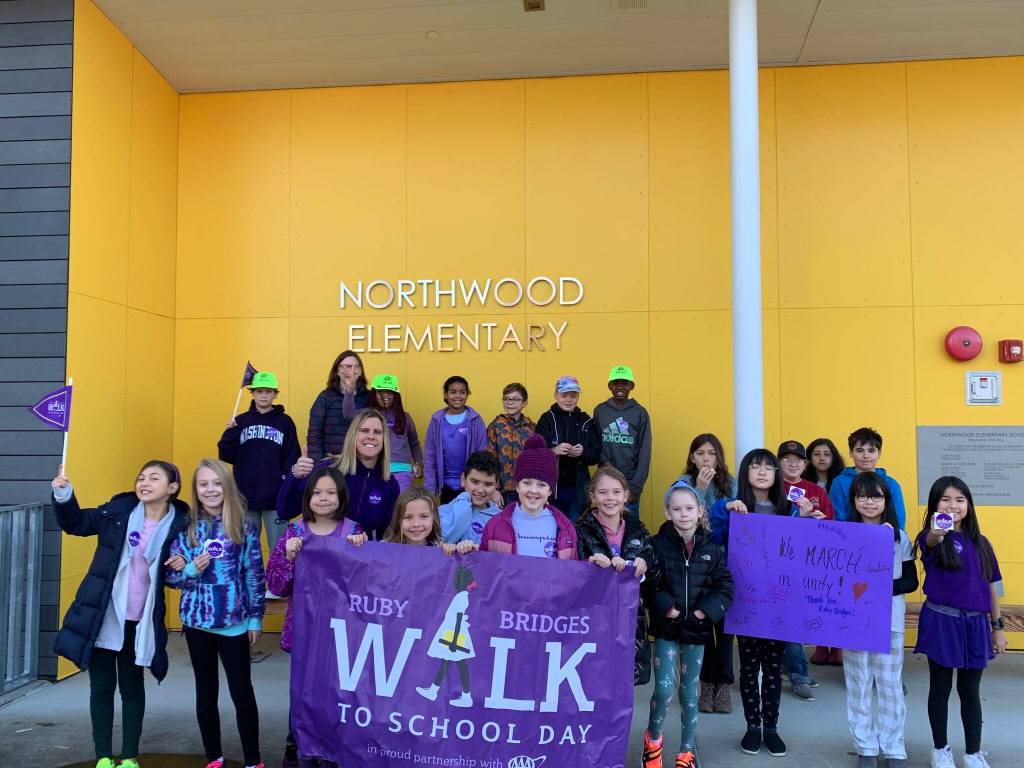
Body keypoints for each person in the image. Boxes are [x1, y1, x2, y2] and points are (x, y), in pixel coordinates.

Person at [51, 460, 188, 768]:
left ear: (172, 489)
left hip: (139, 622)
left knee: (131, 687)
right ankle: (103, 755)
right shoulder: (118, 512)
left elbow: (187, 565)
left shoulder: (181, 523)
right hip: (104, 614)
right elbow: (76, 524)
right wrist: (64, 495)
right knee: (101, 687)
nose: (145, 482)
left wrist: (182, 561)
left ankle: (128, 756)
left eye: (155, 478)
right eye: (141, 477)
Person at [165, 459, 265, 768]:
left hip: (233, 622)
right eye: (203, 484)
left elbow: (253, 572)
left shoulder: (244, 523)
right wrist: (193, 568)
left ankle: (253, 761)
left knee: (242, 693)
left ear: (227, 486)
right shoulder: (185, 525)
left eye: (217, 483)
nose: (211, 490)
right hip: (197, 623)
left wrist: (255, 616)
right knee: (206, 692)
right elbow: (171, 578)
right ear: (195, 490)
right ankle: (214, 757)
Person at [264, 466, 366, 768]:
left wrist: (360, 552)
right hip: (305, 633)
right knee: (302, 694)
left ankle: (333, 749)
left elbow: (365, 585)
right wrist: (288, 558)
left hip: (341, 635)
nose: (323, 498)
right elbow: (276, 584)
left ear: (341, 496)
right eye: (317, 492)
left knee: (336, 693)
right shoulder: (294, 533)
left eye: (331, 492)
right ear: (307, 497)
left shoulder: (353, 532)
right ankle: (296, 746)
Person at [914, 477, 1006, 768]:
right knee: (940, 689)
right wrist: (937, 531)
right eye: (944, 499)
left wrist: (998, 627)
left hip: (976, 626)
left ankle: (973, 753)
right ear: (934, 505)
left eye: (959, 500)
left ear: (969, 505)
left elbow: (993, 589)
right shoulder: (930, 538)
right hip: (941, 622)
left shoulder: (983, 544)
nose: (952, 505)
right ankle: (940, 749)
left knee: (970, 692)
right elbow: (930, 541)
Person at [642, 480, 734, 768]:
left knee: (689, 693)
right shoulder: (656, 545)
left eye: (689, 508)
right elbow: (648, 585)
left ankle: (686, 752)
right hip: (667, 630)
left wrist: (704, 613)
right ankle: (653, 742)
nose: (683, 514)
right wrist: (665, 607)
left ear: (700, 510)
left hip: (696, 632)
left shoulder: (712, 548)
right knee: (664, 689)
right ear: (667, 512)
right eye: (677, 508)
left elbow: (725, 587)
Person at [709, 449, 790, 758]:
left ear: (776, 475)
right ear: (744, 473)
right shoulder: (735, 508)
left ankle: (771, 727)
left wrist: (809, 522)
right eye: (755, 466)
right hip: (745, 600)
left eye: (768, 467)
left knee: (772, 667)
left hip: (779, 603)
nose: (761, 471)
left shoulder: (788, 511)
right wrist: (724, 509)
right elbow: (714, 537)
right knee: (749, 665)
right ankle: (752, 726)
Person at [844, 471, 918, 768]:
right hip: (851, 622)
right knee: (858, 683)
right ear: (854, 501)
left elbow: (910, 581)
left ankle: (894, 747)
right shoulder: (844, 533)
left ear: (886, 500)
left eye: (876, 496)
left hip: (890, 623)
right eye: (862, 496)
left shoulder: (900, 537)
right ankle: (865, 747)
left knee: (889, 686)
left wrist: (878, 585)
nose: (869, 502)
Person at [677, 433, 738, 716]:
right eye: (700, 453)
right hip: (697, 565)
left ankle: (723, 685)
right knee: (702, 628)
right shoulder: (684, 484)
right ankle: (705, 683)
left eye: (711, 453)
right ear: (692, 457)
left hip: (726, 565)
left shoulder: (731, 484)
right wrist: (700, 489)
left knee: (724, 631)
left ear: (719, 457)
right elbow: (688, 522)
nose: (705, 458)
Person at [576, 467, 653, 684]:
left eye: (616, 492)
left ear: (626, 495)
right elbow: (572, 579)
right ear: (592, 496)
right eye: (603, 492)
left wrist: (645, 564)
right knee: (591, 683)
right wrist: (590, 565)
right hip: (593, 621)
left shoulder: (640, 532)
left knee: (623, 688)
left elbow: (655, 578)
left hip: (630, 622)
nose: (610, 498)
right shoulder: (580, 531)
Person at [218, 370, 301, 569]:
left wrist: (283, 483)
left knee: (279, 546)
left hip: (275, 497)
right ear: (252, 393)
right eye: (259, 391)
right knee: (247, 546)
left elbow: (292, 457)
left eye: (268, 391)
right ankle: (250, 585)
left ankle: (276, 587)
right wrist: (230, 433)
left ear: (275, 394)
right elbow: (226, 454)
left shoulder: (285, 422)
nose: (263, 395)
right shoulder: (242, 421)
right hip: (245, 497)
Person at [277, 409, 401, 541]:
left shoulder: (389, 483)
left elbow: (388, 534)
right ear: (353, 435)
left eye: (377, 432)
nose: (371, 436)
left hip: (360, 557)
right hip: (323, 554)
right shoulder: (328, 470)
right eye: (364, 430)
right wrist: (295, 475)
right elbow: (285, 511)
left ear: (384, 439)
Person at [776, 439, 834, 693]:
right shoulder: (772, 488)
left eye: (797, 459)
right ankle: (798, 672)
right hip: (777, 565)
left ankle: (790, 666)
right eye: (786, 459)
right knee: (787, 618)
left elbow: (832, 528)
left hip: (808, 566)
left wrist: (814, 521)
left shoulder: (816, 491)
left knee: (794, 619)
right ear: (778, 463)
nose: (792, 464)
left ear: (804, 463)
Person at [479, 433, 578, 558]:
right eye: (526, 483)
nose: (533, 490)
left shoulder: (566, 528)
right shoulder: (495, 525)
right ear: (517, 486)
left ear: (550, 490)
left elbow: (573, 573)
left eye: (541, 485)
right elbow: (483, 569)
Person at [534, 375, 600, 522]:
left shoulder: (587, 421)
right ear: (556, 395)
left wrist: (583, 452)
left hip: (578, 490)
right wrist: (553, 451)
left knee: (575, 529)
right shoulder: (547, 419)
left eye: (573, 395)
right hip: (551, 488)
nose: (568, 399)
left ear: (578, 397)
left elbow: (595, 454)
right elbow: (535, 452)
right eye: (564, 395)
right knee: (552, 529)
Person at [593, 364, 652, 517]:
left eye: (625, 383)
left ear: (631, 386)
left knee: (630, 526)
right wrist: (605, 463)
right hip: (605, 479)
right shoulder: (601, 410)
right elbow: (596, 442)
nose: (620, 387)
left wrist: (635, 487)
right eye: (616, 382)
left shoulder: (640, 412)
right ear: (609, 386)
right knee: (605, 522)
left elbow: (645, 451)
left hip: (630, 482)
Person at [423, 376, 488, 504]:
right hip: (445, 486)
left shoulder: (475, 420)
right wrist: (430, 488)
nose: (458, 396)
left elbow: (482, 454)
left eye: (462, 392)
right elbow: (429, 456)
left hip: (469, 486)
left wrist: (478, 485)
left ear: (467, 394)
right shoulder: (437, 420)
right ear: (446, 395)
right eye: (453, 392)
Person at [829, 427, 907, 529]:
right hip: (848, 540)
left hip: (885, 539)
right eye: (859, 450)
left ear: (879, 453)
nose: (866, 456)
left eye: (871, 450)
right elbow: (836, 518)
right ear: (851, 453)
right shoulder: (839, 482)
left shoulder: (891, 484)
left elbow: (898, 520)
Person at [306, 350, 369, 461]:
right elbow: (315, 433)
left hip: (360, 461)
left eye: (355, 367)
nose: (350, 371)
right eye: (346, 366)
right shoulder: (325, 397)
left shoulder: (368, 397)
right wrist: (318, 463)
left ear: (361, 371)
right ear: (337, 370)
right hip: (331, 461)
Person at [368, 373, 422, 493]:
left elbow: (414, 443)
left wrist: (418, 463)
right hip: (375, 469)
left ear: (396, 395)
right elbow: (348, 413)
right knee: (377, 508)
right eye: (381, 391)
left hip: (403, 471)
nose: (385, 395)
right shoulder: (368, 415)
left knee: (400, 508)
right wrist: (350, 390)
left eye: (390, 392)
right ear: (374, 393)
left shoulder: (405, 417)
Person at [486, 382, 535, 505]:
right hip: (503, 491)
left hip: (526, 489)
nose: (510, 402)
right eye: (506, 399)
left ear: (525, 403)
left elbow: (536, 460)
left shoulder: (531, 428)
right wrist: (494, 489)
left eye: (515, 399)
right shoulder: (496, 426)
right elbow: (489, 460)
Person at [439, 451, 503, 546]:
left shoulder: (501, 518)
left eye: (488, 484)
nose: (480, 490)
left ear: (496, 485)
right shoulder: (444, 511)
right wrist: (464, 501)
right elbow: (446, 539)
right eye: (475, 482)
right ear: (463, 480)